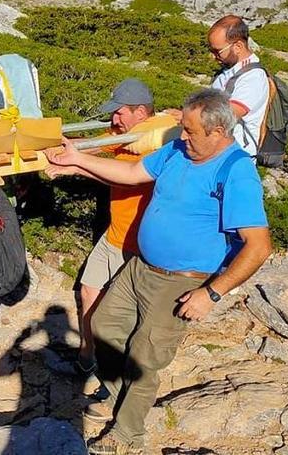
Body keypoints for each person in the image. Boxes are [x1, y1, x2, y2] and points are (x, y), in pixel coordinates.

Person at [48, 88, 272, 454]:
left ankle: (127, 435)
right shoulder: (178, 151)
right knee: (104, 327)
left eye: (190, 130)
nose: (182, 136)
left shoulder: (236, 172)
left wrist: (212, 293)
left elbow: (259, 246)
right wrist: (78, 158)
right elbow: (133, 172)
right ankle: (122, 398)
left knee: (145, 357)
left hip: (183, 280)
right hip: (140, 266)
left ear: (217, 132)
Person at [45, 78, 178, 374]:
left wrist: (75, 167)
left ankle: (117, 371)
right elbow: (92, 146)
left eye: (120, 112)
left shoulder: (154, 140)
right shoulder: (127, 132)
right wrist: (54, 151)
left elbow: (124, 178)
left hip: (135, 242)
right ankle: (87, 355)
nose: (114, 119)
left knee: (122, 313)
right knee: (89, 291)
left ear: (141, 112)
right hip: (114, 235)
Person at [166, 15, 269, 158]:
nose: (213, 56)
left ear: (238, 46)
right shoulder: (228, 70)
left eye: (217, 51)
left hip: (236, 155)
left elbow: (227, 115)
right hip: (215, 150)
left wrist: (186, 117)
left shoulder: (253, 78)